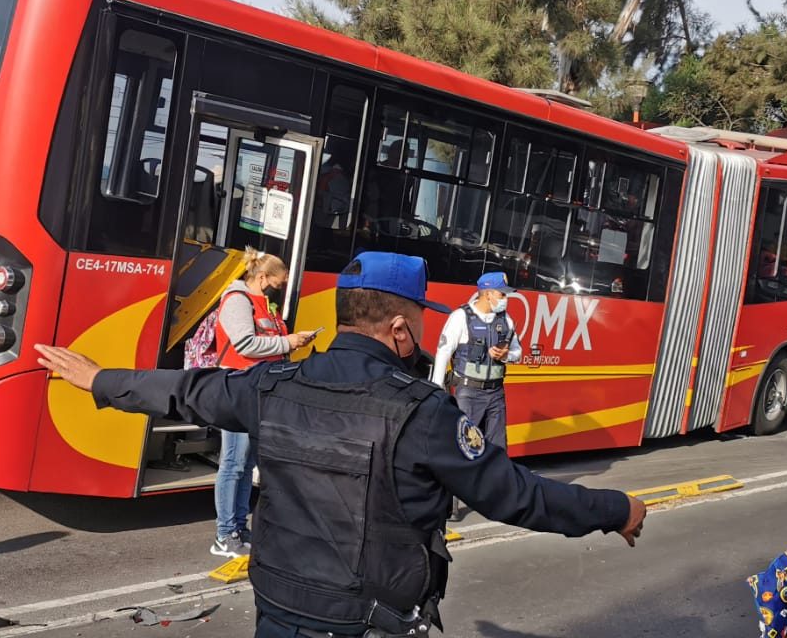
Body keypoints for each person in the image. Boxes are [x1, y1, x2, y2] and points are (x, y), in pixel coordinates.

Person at [36, 251, 646, 638]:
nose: (431, 329)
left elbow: (188, 391)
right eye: (423, 318)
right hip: (364, 622)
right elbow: (515, 496)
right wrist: (615, 509)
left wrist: (101, 379)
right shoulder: (423, 411)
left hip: (277, 609)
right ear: (399, 327)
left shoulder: (273, 384)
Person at [209, 248, 316, 559]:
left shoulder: (262, 303)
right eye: (278, 283)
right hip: (238, 389)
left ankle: (238, 528)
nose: (279, 289)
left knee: (244, 465)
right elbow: (245, 343)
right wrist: (288, 342)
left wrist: (293, 340)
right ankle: (225, 534)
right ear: (262, 277)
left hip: (255, 390)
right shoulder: (237, 300)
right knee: (233, 463)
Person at [431, 271, 521, 450]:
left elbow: (517, 353)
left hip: (496, 393)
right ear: (488, 294)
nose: (506, 299)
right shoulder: (461, 317)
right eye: (502, 294)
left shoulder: (505, 319)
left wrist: (505, 356)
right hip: (469, 393)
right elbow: (443, 353)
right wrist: (436, 390)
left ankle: (494, 479)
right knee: (465, 448)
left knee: (497, 449)